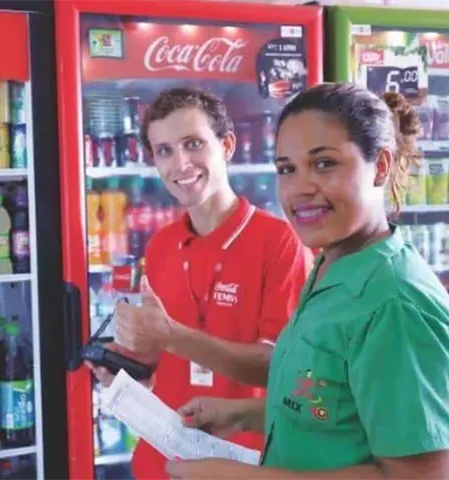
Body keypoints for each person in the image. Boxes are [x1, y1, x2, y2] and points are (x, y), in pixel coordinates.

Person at [166, 83, 449, 480]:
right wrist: (243, 414)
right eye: (287, 169)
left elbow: (422, 476)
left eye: (325, 163)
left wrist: (241, 477)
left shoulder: (394, 305)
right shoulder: (333, 263)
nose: (300, 188)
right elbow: (337, 407)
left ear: (380, 167)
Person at [88, 86, 312, 480]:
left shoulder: (281, 243)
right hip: (161, 461)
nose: (181, 163)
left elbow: (279, 368)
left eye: (193, 144)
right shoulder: (161, 245)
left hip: (242, 463)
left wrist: (172, 335)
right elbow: (163, 360)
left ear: (226, 145)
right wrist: (130, 368)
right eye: (165, 151)